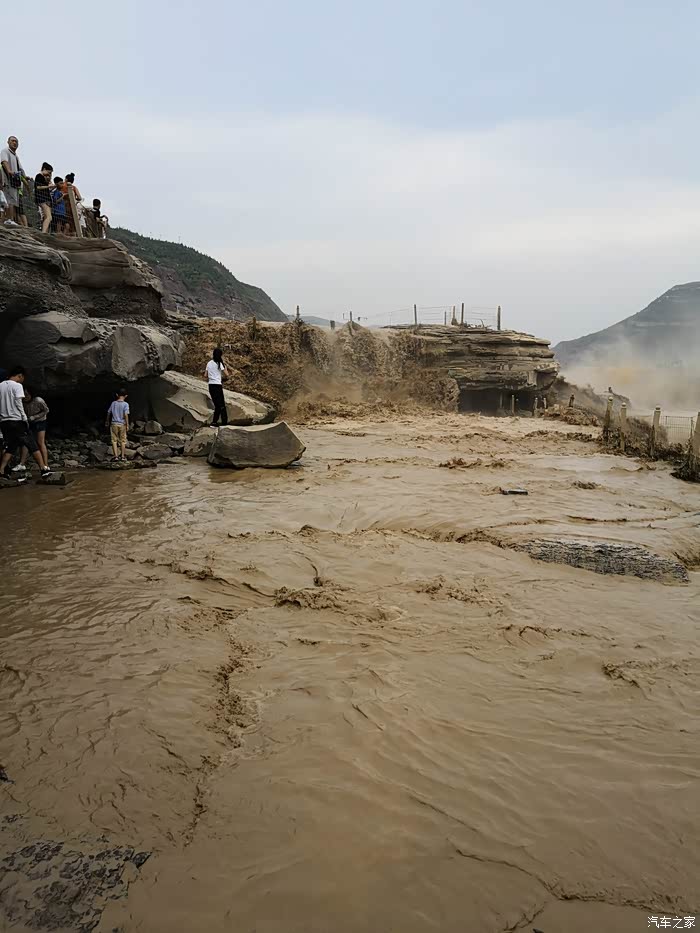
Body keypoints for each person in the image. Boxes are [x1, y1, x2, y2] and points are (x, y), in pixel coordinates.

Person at [0, 367, 51, 480]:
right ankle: (43, 469)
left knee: (11, 447)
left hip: (4, 422)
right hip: (17, 421)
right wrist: (24, 419)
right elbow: (19, 403)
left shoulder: (0, 385)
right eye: (23, 378)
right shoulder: (17, 386)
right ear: (20, 375)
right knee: (32, 445)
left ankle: (1, 471)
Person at [19, 388, 49, 469]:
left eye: (27, 394)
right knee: (26, 441)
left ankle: (46, 465)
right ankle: (21, 464)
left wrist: (35, 417)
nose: (25, 397)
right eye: (24, 395)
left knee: (40, 442)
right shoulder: (22, 402)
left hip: (40, 421)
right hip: (29, 422)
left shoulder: (38, 400)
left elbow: (46, 410)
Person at [0, 136, 27, 224]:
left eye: (16, 141)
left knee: (13, 200)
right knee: (9, 199)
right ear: (8, 142)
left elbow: (20, 168)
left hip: (15, 181)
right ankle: (8, 219)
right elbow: (4, 162)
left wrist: (25, 177)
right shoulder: (5, 151)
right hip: (8, 179)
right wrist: (9, 171)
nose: (14, 143)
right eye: (12, 141)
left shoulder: (16, 156)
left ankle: (11, 219)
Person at [205, 348, 228, 426]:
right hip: (218, 385)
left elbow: (205, 375)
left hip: (211, 385)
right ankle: (223, 422)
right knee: (221, 405)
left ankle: (215, 422)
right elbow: (227, 374)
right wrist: (225, 368)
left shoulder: (209, 363)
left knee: (216, 404)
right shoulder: (219, 363)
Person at [106, 389, 130, 461]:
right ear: (126, 396)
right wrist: (127, 424)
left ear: (117, 395)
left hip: (114, 423)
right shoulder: (126, 404)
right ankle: (122, 457)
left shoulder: (113, 403)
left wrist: (107, 421)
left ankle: (116, 457)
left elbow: (109, 412)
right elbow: (126, 415)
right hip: (122, 424)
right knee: (123, 440)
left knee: (114, 440)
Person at [34, 163, 54, 233]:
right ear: (44, 169)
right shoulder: (39, 176)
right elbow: (38, 187)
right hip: (42, 199)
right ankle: (44, 232)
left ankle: (45, 231)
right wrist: (49, 186)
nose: (49, 174)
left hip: (45, 198)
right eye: (49, 172)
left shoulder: (45, 178)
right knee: (49, 217)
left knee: (46, 217)